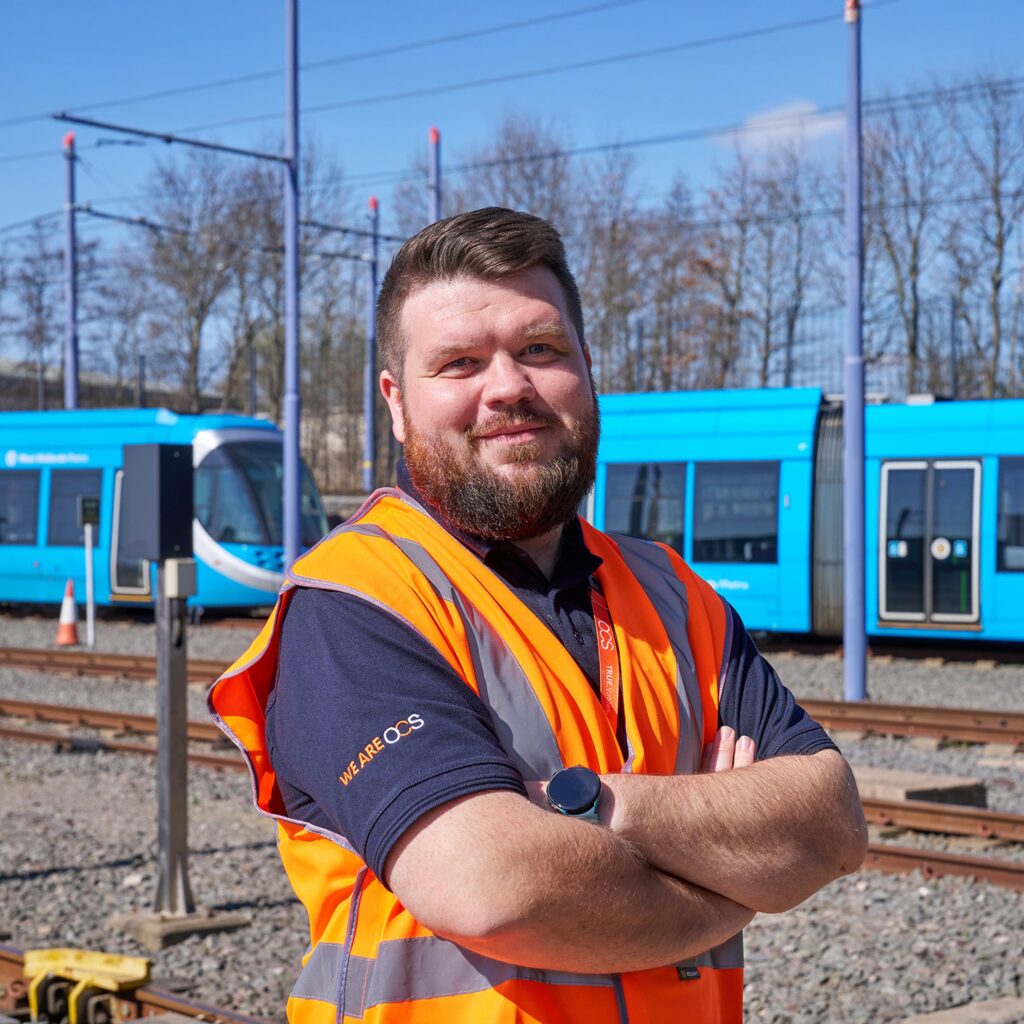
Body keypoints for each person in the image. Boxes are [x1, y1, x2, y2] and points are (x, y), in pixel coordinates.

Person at [209, 207, 867, 1024]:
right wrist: (731, 886)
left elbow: (832, 825)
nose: (508, 387)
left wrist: (592, 806)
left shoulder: (674, 595)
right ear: (396, 402)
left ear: (587, 368)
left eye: (540, 350)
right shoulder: (355, 601)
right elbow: (492, 886)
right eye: (457, 362)